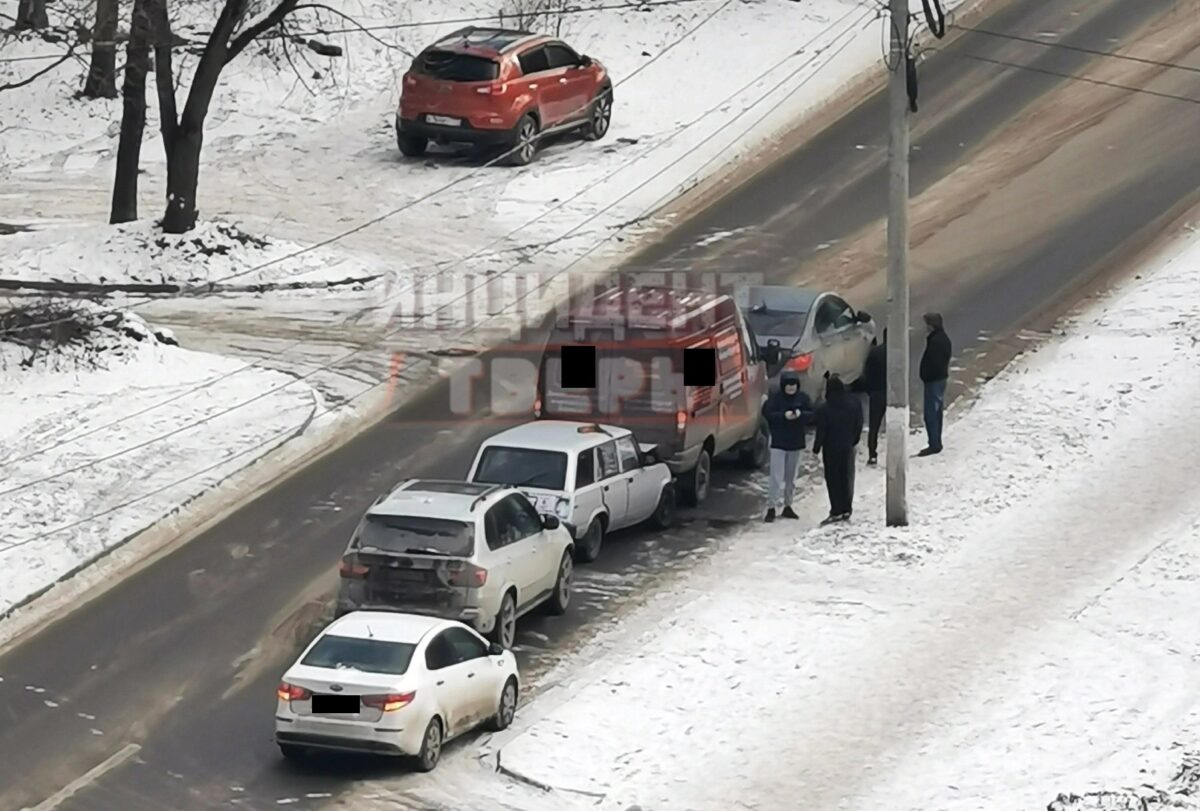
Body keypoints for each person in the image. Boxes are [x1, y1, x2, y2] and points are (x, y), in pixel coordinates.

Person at [761, 370, 813, 523]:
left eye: (793, 385)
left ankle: (788, 505)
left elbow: (812, 414)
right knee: (776, 477)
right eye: (788, 385)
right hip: (779, 442)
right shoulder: (776, 399)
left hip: (796, 443)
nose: (791, 388)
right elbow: (768, 414)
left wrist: (800, 415)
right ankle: (771, 507)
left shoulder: (803, 398)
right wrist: (784, 416)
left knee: (791, 478)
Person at [812, 374, 863, 524]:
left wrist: (816, 449)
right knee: (846, 476)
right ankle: (847, 508)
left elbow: (821, 431)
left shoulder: (825, 409)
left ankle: (836, 510)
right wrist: (854, 439)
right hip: (847, 446)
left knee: (833, 479)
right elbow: (859, 423)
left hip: (831, 448)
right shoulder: (854, 403)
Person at [919, 312, 952, 456]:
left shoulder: (936, 341)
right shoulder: (940, 339)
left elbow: (935, 363)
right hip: (938, 379)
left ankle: (934, 443)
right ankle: (935, 441)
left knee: (931, 413)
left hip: (934, 381)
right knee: (936, 412)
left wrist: (926, 375)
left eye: (926, 324)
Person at [861, 328, 887, 465]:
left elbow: (867, 372)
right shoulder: (899, 353)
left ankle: (872, 454)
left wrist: (870, 390)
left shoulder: (875, 352)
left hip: (877, 393)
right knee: (896, 423)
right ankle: (897, 451)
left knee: (874, 426)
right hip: (894, 392)